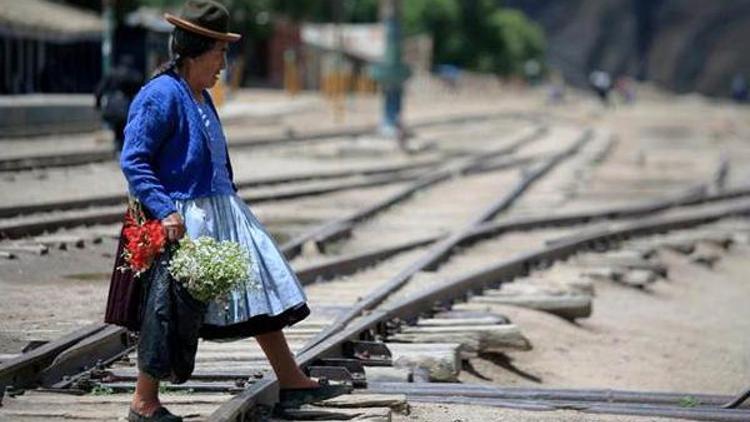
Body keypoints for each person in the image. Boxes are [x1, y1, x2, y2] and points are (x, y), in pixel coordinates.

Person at [119, 1, 348, 420]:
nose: (225, 62)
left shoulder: (200, 94)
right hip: (181, 220)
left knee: (260, 290)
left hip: (222, 212)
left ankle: (290, 377)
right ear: (195, 50)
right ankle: (144, 402)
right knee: (166, 311)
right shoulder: (161, 95)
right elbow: (135, 159)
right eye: (220, 51)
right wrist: (165, 211)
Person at [95, 55, 143, 155]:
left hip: (112, 104)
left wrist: (98, 104)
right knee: (123, 128)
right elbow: (140, 94)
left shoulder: (112, 73)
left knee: (117, 128)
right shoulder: (134, 76)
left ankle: (118, 147)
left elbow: (99, 90)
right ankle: (120, 148)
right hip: (125, 105)